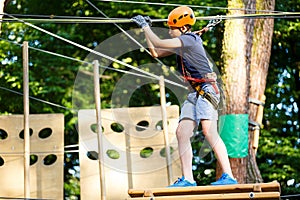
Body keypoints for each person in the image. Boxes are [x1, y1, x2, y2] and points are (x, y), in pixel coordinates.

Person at [132, 6, 238, 187]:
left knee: (208, 130)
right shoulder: (183, 43)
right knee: (182, 133)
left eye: (172, 28)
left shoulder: (189, 39)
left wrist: (146, 27)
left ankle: (229, 176)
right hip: (194, 93)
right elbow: (155, 52)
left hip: (207, 89)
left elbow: (159, 41)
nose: (169, 31)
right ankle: (188, 178)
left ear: (182, 28)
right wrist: (146, 29)